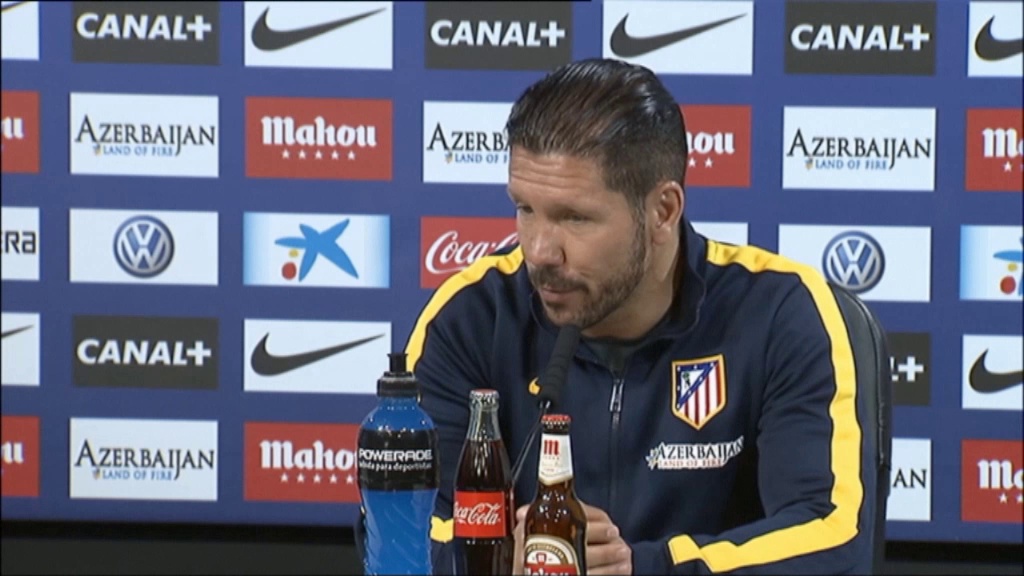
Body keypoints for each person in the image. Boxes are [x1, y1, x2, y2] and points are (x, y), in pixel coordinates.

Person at [404, 58, 879, 574]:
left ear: (663, 211)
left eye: (574, 217)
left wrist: (642, 568)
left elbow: (831, 535)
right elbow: (401, 528)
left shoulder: (781, 312)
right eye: (525, 209)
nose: (539, 251)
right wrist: (491, 558)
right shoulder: (470, 317)